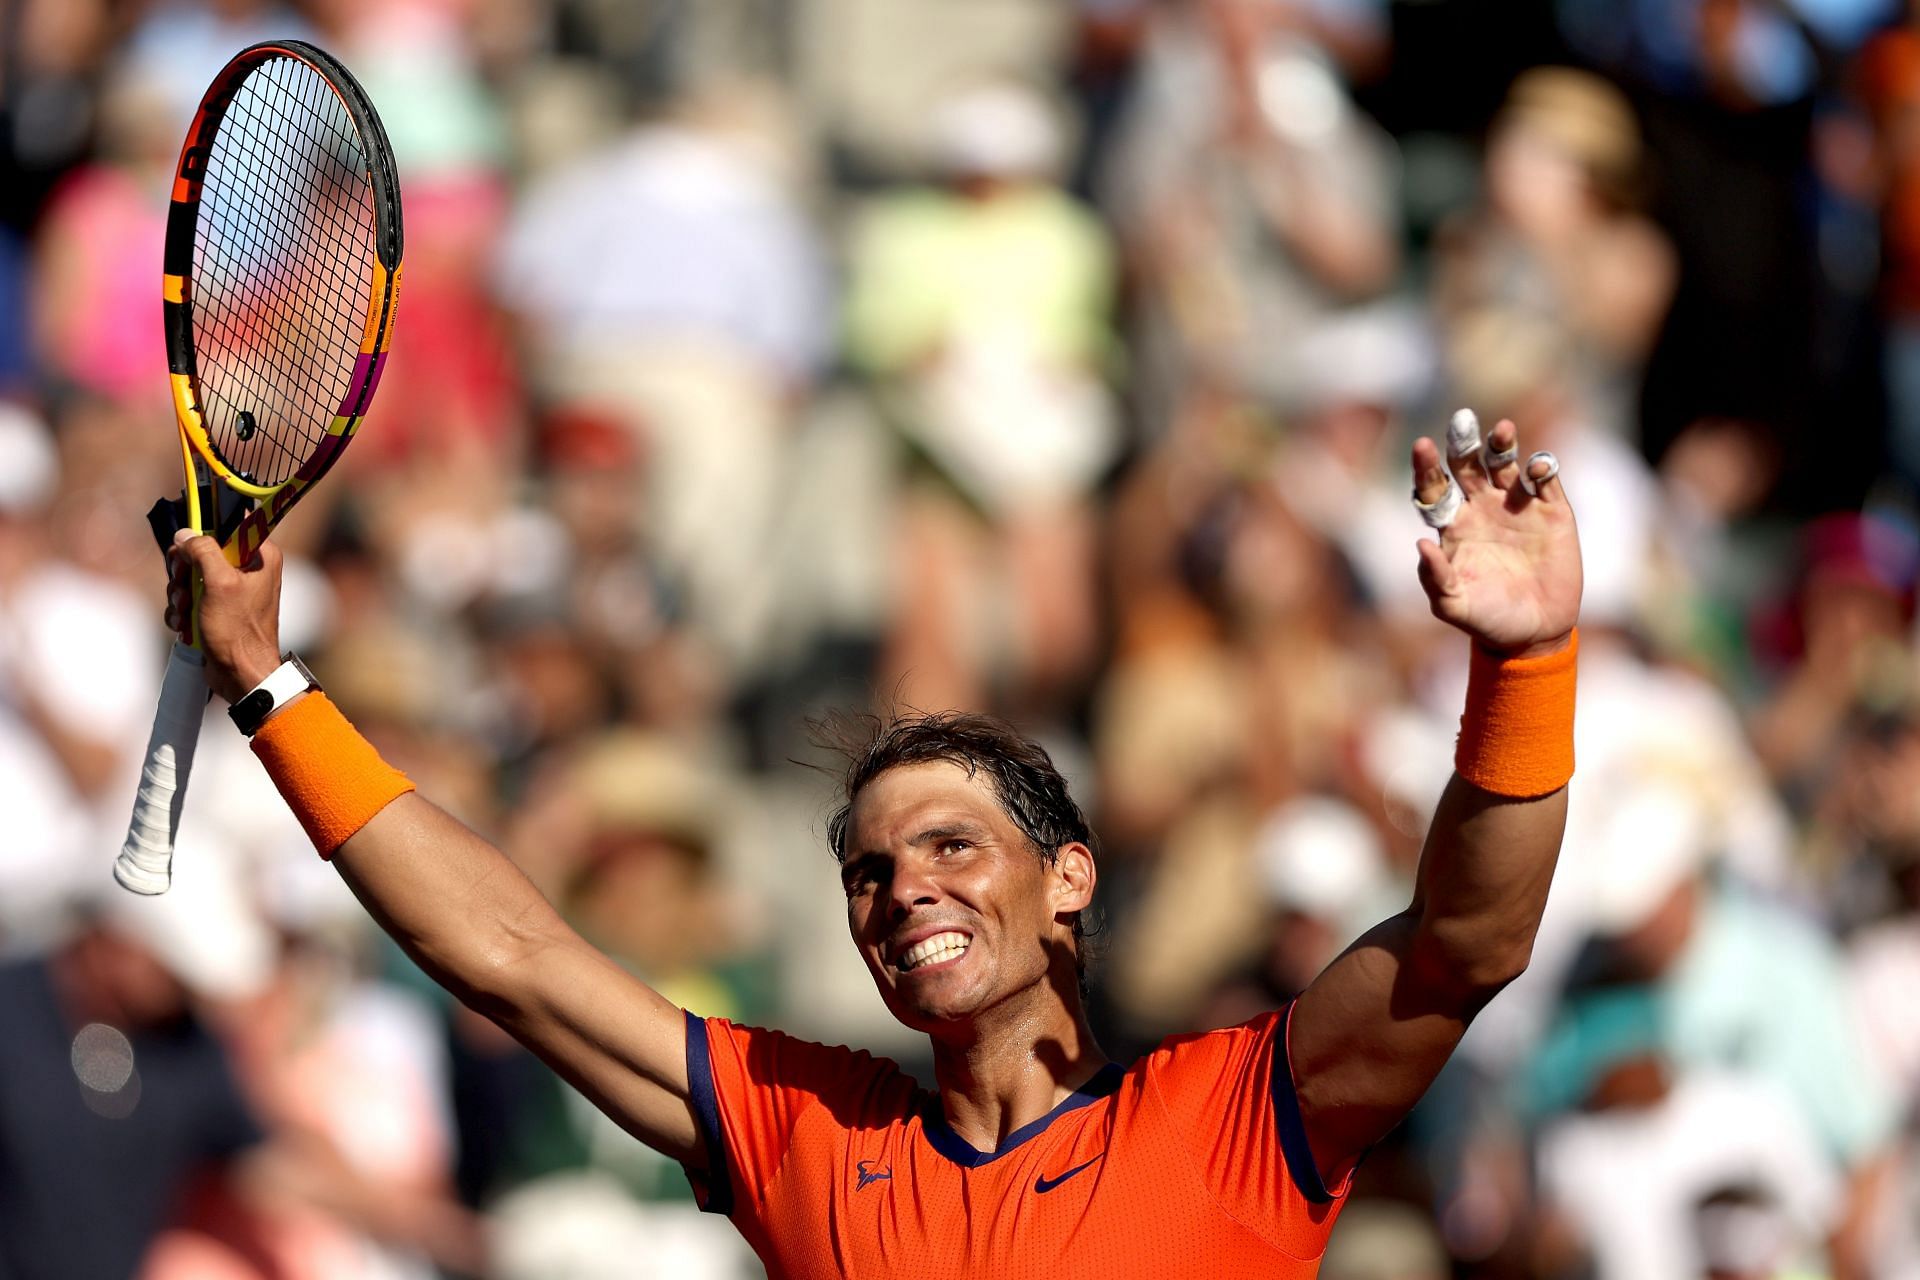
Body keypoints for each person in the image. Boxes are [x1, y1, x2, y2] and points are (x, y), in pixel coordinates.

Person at [163, 415, 1581, 1275]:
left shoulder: (1236, 1120)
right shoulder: (808, 1130)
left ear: (1068, 877)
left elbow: (1466, 941)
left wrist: (1526, 668)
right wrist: (266, 687)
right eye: (872, 871)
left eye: (956, 846)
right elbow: (515, 959)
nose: (909, 889)